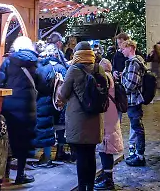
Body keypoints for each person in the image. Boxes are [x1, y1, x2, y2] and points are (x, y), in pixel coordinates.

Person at [56, 41, 105, 191]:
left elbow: (63, 94)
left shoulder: (74, 69)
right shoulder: (99, 68)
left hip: (78, 119)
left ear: (76, 53)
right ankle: (90, 186)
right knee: (90, 154)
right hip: (95, 117)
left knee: (81, 156)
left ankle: (82, 187)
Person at [0, 36, 41, 184]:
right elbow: (42, 83)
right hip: (28, 107)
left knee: (8, 139)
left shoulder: (9, 61)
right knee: (25, 140)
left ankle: (5, 173)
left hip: (10, 106)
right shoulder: (35, 63)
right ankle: (20, 174)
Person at [34, 43, 67, 168]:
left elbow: (38, 86)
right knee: (60, 129)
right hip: (59, 103)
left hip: (44, 102)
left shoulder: (42, 68)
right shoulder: (62, 67)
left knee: (46, 130)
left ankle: (46, 157)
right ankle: (59, 152)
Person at [96, 58, 124, 190]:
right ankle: (105, 175)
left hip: (107, 118)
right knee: (105, 149)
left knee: (106, 149)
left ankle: (108, 180)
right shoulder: (111, 76)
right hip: (110, 116)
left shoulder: (105, 78)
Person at [119, 39, 148, 166]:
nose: (122, 51)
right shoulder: (135, 62)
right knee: (136, 127)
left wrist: (121, 81)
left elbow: (131, 84)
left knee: (137, 128)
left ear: (130, 48)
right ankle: (138, 153)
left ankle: (140, 155)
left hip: (133, 99)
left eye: (124, 48)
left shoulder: (133, 63)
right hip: (134, 99)